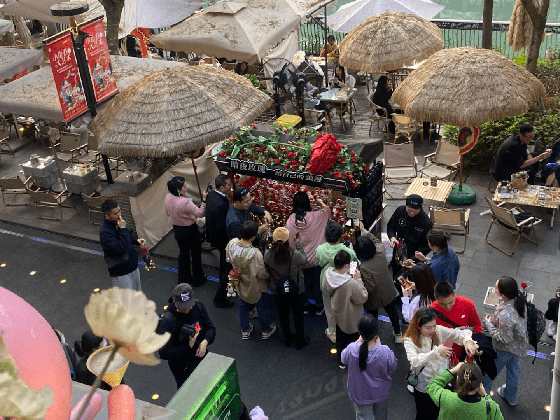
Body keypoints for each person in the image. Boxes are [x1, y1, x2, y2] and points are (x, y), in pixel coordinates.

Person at [403, 307, 479, 420]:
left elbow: (457, 334)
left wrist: (468, 342)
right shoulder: (409, 340)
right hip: (425, 386)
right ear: (418, 326)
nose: (432, 330)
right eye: (428, 327)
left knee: (437, 411)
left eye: (434, 326)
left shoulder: (438, 330)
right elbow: (414, 361)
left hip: (441, 381)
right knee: (423, 414)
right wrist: (436, 352)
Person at [157, 283, 216, 388]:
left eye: (189, 305)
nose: (187, 310)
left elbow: (210, 328)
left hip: (201, 358)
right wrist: (188, 346)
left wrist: (205, 341)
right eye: (183, 307)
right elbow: (164, 353)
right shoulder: (168, 321)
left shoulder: (198, 306)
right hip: (182, 367)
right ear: (175, 302)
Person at [482, 276, 528, 406]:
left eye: (496, 287)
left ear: (503, 294)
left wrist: (489, 323)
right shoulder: (520, 300)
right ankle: (511, 397)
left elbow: (504, 339)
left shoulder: (505, 315)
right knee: (514, 372)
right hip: (518, 346)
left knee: (490, 372)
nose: (494, 287)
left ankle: (483, 398)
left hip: (504, 349)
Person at [226, 220, 276, 340]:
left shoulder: (231, 244)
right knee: (262, 307)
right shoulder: (255, 254)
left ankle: (245, 330)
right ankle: (266, 330)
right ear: (254, 236)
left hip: (240, 283)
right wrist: (268, 276)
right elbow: (261, 273)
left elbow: (228, 258)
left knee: (243, 307)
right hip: (256, 286)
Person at [341, 315, 397, 420]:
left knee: (363, 417)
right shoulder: (385, 351)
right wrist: (380, 345)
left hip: (359, 393)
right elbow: (392, 367)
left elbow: (343, 359)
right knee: (381, 417)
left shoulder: (351, 349)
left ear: (360, 332)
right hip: (381, 393)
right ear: (376, 332)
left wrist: (357, 341)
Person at [355, 222, 402, 344]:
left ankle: (374, 337)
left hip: (374, 299)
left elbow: (370, 287)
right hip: (388, 291)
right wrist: (364, 230)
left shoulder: (363, 267)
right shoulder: (380, 251)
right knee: (393, 314)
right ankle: (398, 333)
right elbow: (375, 239)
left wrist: (358, 279)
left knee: (372, 318)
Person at [285, 191, 331, 315]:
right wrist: (320, 202)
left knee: (302, 284)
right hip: (316, 260)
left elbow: (287, 239)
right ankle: (319, 306)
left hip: (300, 260)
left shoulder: (290, 221)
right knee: (317, 285)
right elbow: (328, 211)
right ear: (308, 203)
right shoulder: (316, 216)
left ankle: (304, 306)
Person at [322, 250, 368, 369]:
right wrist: (358, 280)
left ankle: (341, 361)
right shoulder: (350, 283)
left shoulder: (327, 274)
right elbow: (362, 297)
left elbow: (326, 289)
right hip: (351, 317)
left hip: (337, 313)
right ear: (347, 265)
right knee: (353, 341)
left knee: (340, 338)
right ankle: (353, 361)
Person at [264, 227, 309, 349]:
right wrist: (298, 244)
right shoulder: (294, 254)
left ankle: (287, 337)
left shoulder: (268, 255)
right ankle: (300, 340)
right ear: (288, 239)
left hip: (278, 291)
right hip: (296, 290)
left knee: (283, 315)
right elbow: (305, 260)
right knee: (298, 316)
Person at [316, 221, 358, 343]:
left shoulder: (320, 249)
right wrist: (351, 248)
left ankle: (332, 332)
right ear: (341, 236)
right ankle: (347, 329)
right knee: (346, 308)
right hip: (343, 284)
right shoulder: (347, 251)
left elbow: (319, 262)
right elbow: (356, 264)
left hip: (326, 282)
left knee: (329, 309)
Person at [165, 176, 207, 286]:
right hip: (190, 231)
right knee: (196, 255)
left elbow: (168, 213)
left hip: (178, 230)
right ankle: (198, 278)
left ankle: (184, 278)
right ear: (178, 190)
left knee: (183, 254)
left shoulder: (168, 198)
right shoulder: (184, 202)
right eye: (184, 187)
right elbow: (200, 213)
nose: (186, 188)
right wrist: (204, 200)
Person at [426, 362, 504, 420]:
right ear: (480, 385)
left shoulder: (445, 397)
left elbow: (432, 385)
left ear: (457, 379)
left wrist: (452, 371)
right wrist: (486, 396)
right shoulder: (491, 407)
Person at [99, 200, 146, 291]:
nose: (119, 215)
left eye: (119, 211)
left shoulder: (118, 223)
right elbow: (121, 249)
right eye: (116, 213)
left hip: (132, 265)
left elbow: (126, 237)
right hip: (121, 271)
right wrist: (123, 229)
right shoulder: (105, 232)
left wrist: (136, 240)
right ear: (107, 215)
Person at [431, 282, 483, 363]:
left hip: (466, 351)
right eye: (442, 304)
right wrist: (453, 332)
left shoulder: (467, 304)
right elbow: (433, 337)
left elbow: (476, 325)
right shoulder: (431, 312)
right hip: (445, 353)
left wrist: (476, 343)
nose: (448, 307)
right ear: (435, 298)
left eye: (451, 302)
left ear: (454, 293)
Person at [206, 175, 235, 308]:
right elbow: (221, 227)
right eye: (229, 185)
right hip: (222, 241)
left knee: (224, 264)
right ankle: (220, 296)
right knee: (226, 267)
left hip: (214, 238)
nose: (231, 187)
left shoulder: (211, 195)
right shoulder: (222, 205)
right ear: (222, 187)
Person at [387, 194, 433, 273]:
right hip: (399, 249)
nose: (411, 213)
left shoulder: (426, 222)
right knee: (396, 271)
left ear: (420, 209)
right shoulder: (400, 211)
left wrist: (414, 258)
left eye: (415, 211)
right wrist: (392, 237)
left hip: (415, 255)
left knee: (412, 278)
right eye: (409, 210)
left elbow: (426, 245)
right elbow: (391, 226)